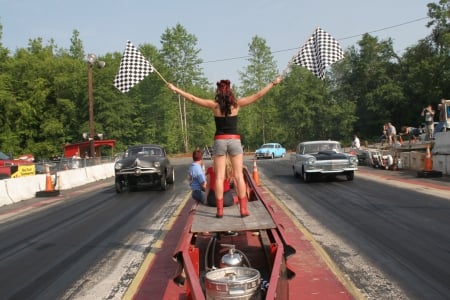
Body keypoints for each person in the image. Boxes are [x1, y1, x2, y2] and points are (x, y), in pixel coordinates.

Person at [167, 76, 282, 218]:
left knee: (219, 177)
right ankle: (243, 209)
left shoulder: (214, 106)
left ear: (218, 92)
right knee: (239, 175)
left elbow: (193, 98)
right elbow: (257, 95)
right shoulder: (237, 105)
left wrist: (175, 89)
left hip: (219, 140)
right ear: (230, 91)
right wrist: (272, 83)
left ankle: (220, 210)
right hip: (234, 140)